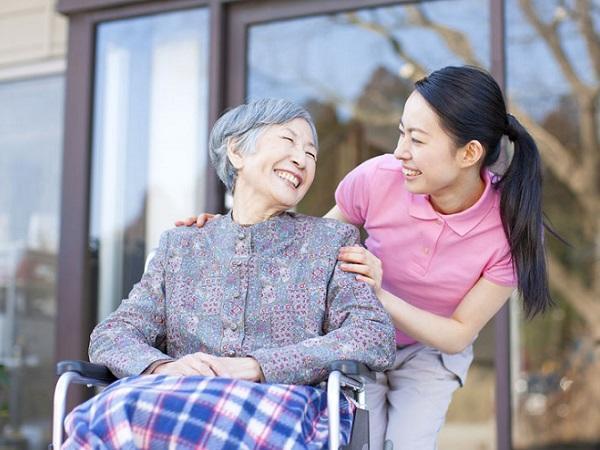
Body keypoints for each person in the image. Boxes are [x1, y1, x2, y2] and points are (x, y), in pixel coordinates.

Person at [179, 66, 554, 450]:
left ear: (469, 153)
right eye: (401, 132)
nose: (399, 151)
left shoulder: (513, 229)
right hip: (358, 339)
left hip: (432, 353)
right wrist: (233, 229)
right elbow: (305, 253)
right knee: (358, 441)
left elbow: (457, 333)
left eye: (417, 140)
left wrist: (379, 293)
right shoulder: (378, 178)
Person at [63, 98, 396, 450]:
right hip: (173, 404)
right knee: (114, 408)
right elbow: (112, 335)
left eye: (311, 154)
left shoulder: (330, 242)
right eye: (288, 141)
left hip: (285, 411)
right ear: (236, 151)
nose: (302, 159)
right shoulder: (182, 247)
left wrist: (257, 366)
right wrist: (162, 369)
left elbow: (372, 335)